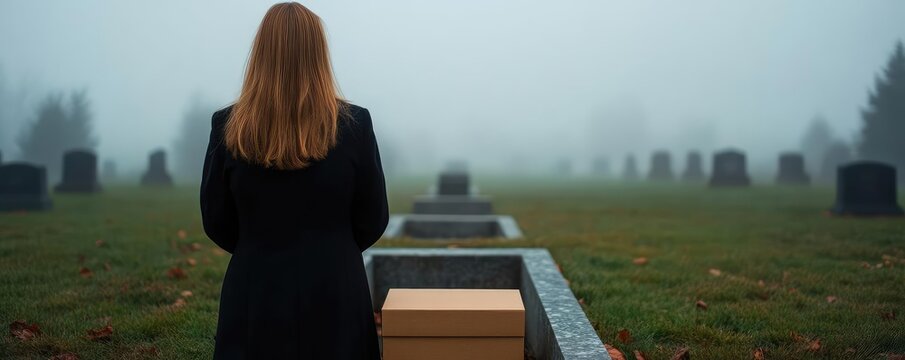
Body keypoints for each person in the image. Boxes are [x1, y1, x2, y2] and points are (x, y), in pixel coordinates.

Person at [200, 2, 388, 359]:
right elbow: (374, 217)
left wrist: (259, 246)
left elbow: (216, 219)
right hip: (336, 288)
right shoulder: (355, 124)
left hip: (255, 290)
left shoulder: (227, 125)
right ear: (318, 54)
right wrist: (333, 247)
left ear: (261, 52)